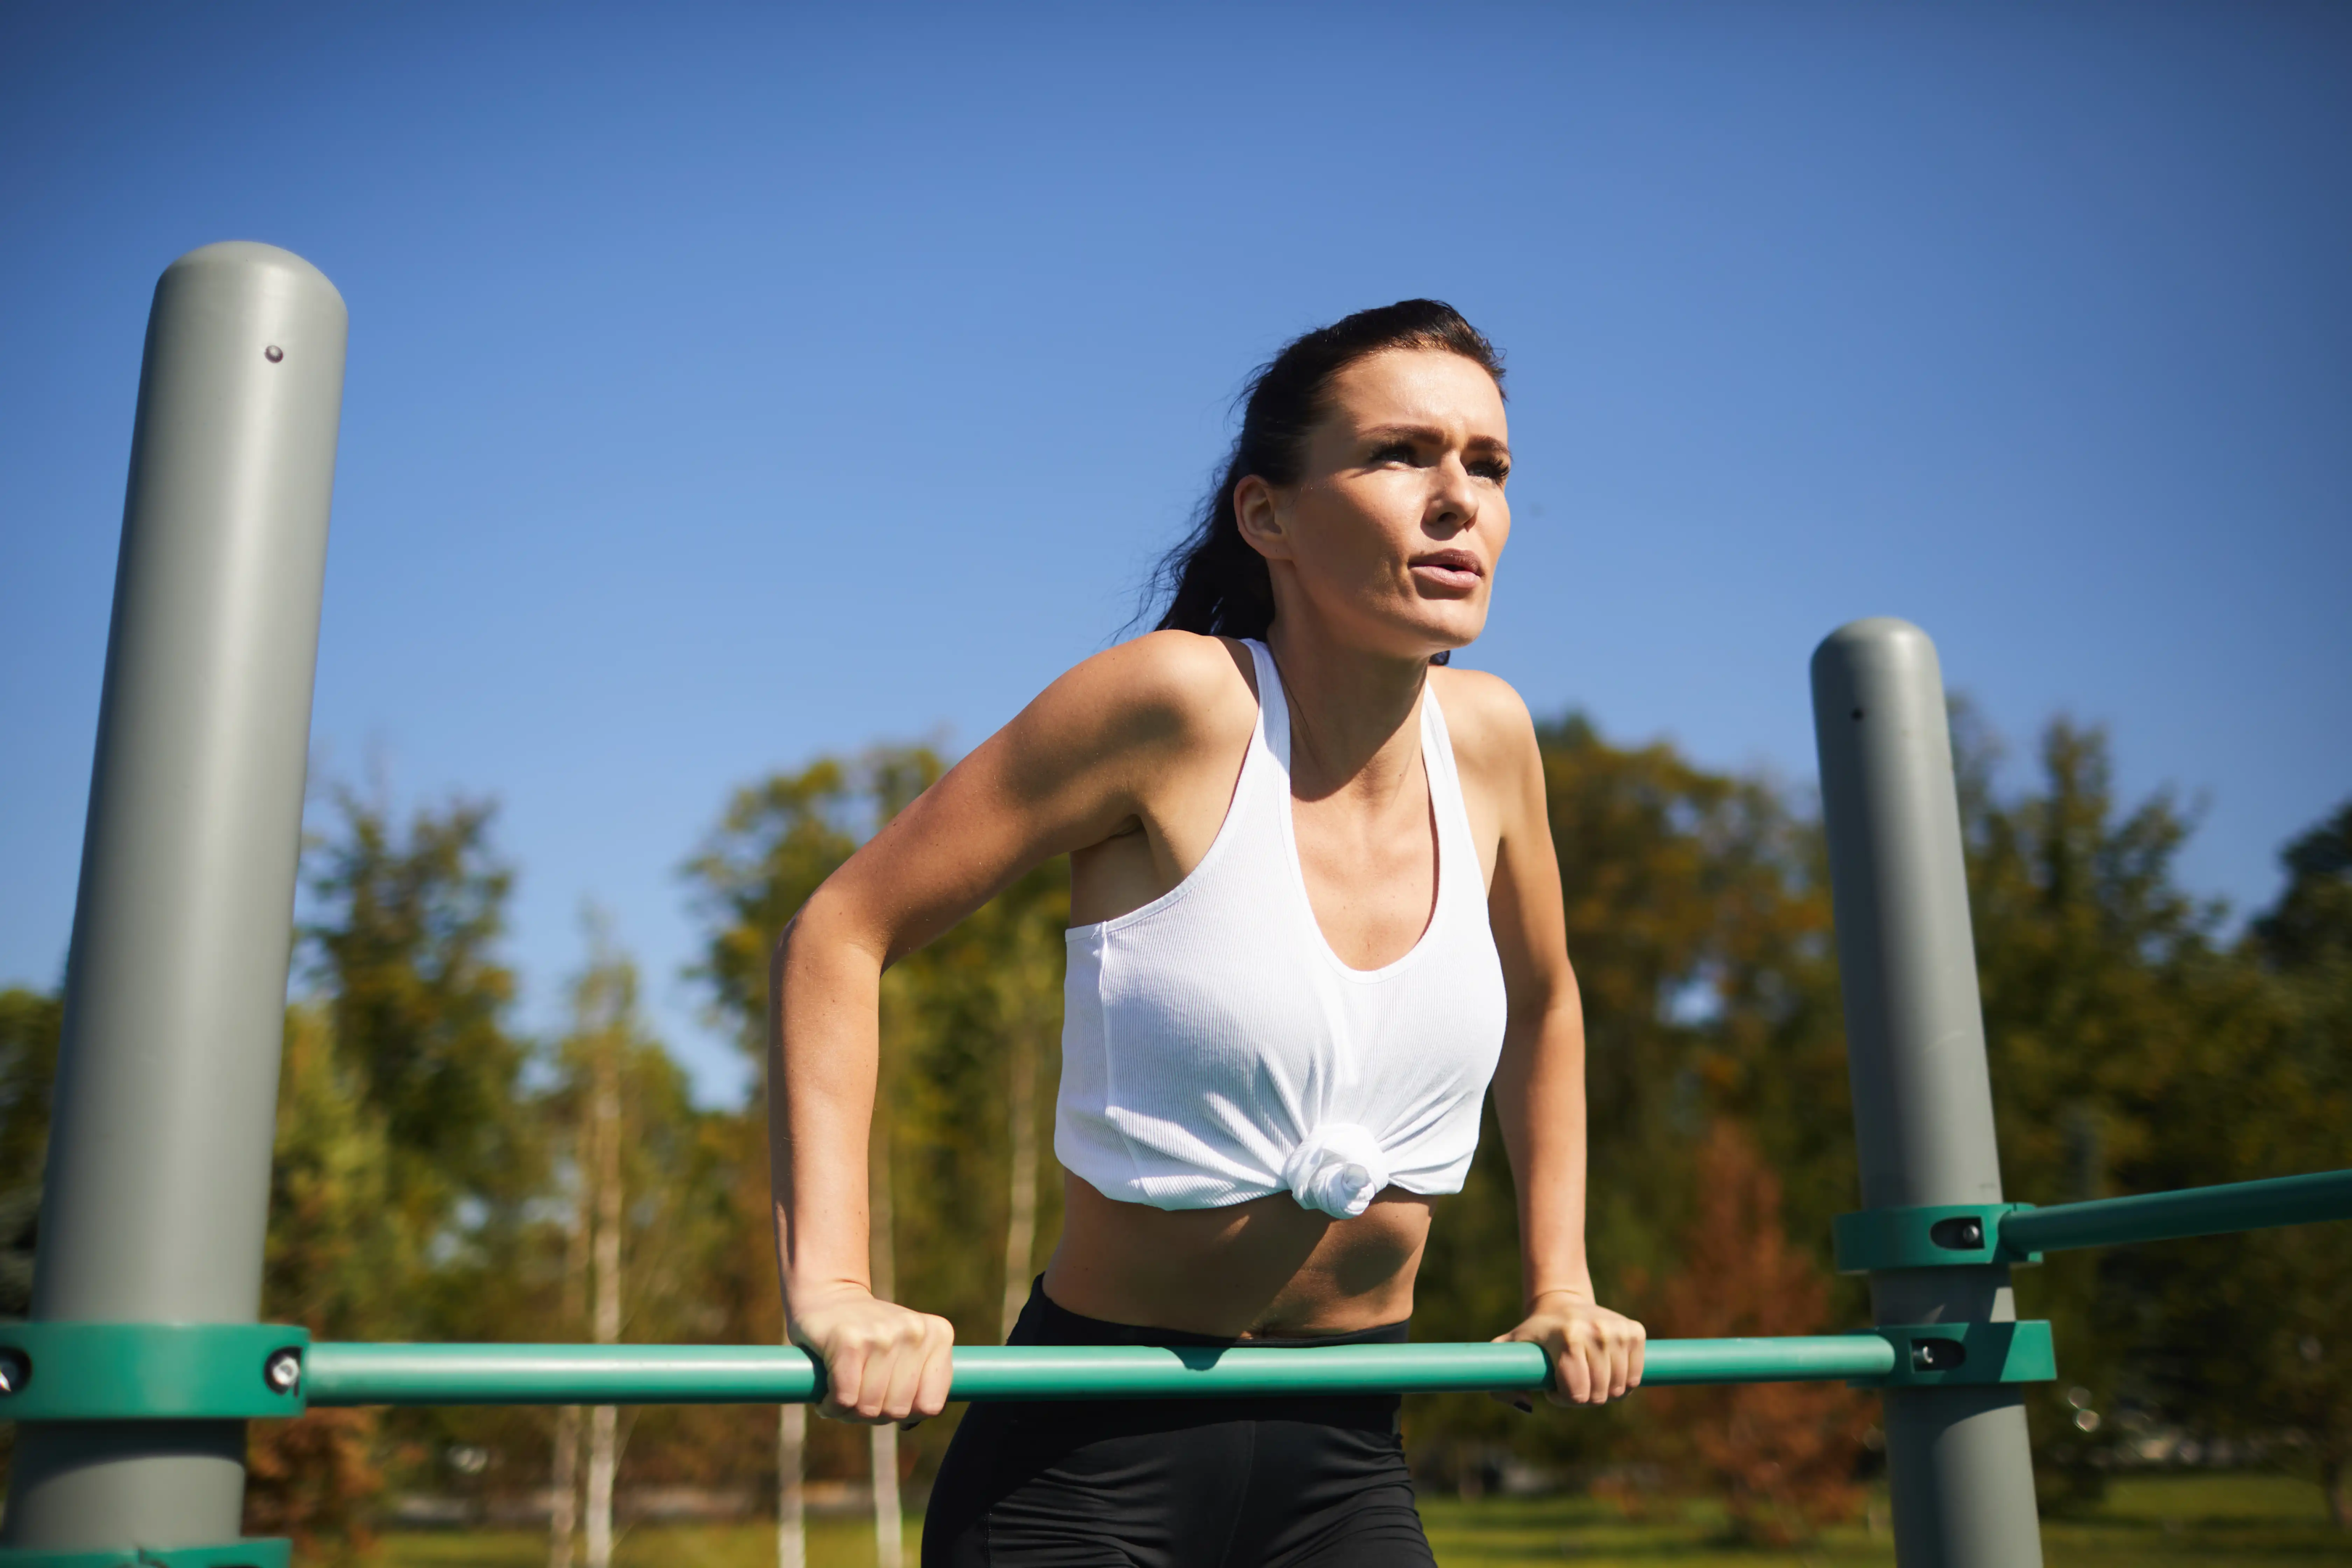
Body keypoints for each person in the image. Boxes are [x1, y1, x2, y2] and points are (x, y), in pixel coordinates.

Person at [769, 299, 1645, 1567]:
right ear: (1267, 515)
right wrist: (837, 1295)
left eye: (1489, 465)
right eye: (1401, 453)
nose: (1459, 498)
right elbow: (839, 931)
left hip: (1347, 1461)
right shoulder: (1173, 704)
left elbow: (1546, 1003)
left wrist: (1557, 1281)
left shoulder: (1496, 743)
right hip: (1082, 1467)